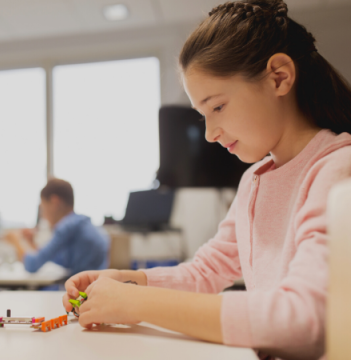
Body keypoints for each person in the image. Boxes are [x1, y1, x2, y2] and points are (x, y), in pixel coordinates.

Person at [61, 1, 351, 359]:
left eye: (217, 107)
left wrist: (138, 302)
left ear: (279, 76)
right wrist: (130, 281)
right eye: (203, 116)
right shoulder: (254, 180)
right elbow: (208, 270)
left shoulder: (338, 169)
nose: (211, 134)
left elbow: (303, 319)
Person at [5, 178, 109, 276]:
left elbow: (32, 266)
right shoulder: (81, 223)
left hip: (78, 291)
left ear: (55, 202)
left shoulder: (67, 226)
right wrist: (32, 244)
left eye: (43, 208)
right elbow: (54, 259)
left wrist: (15, 242)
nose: (43, 215)